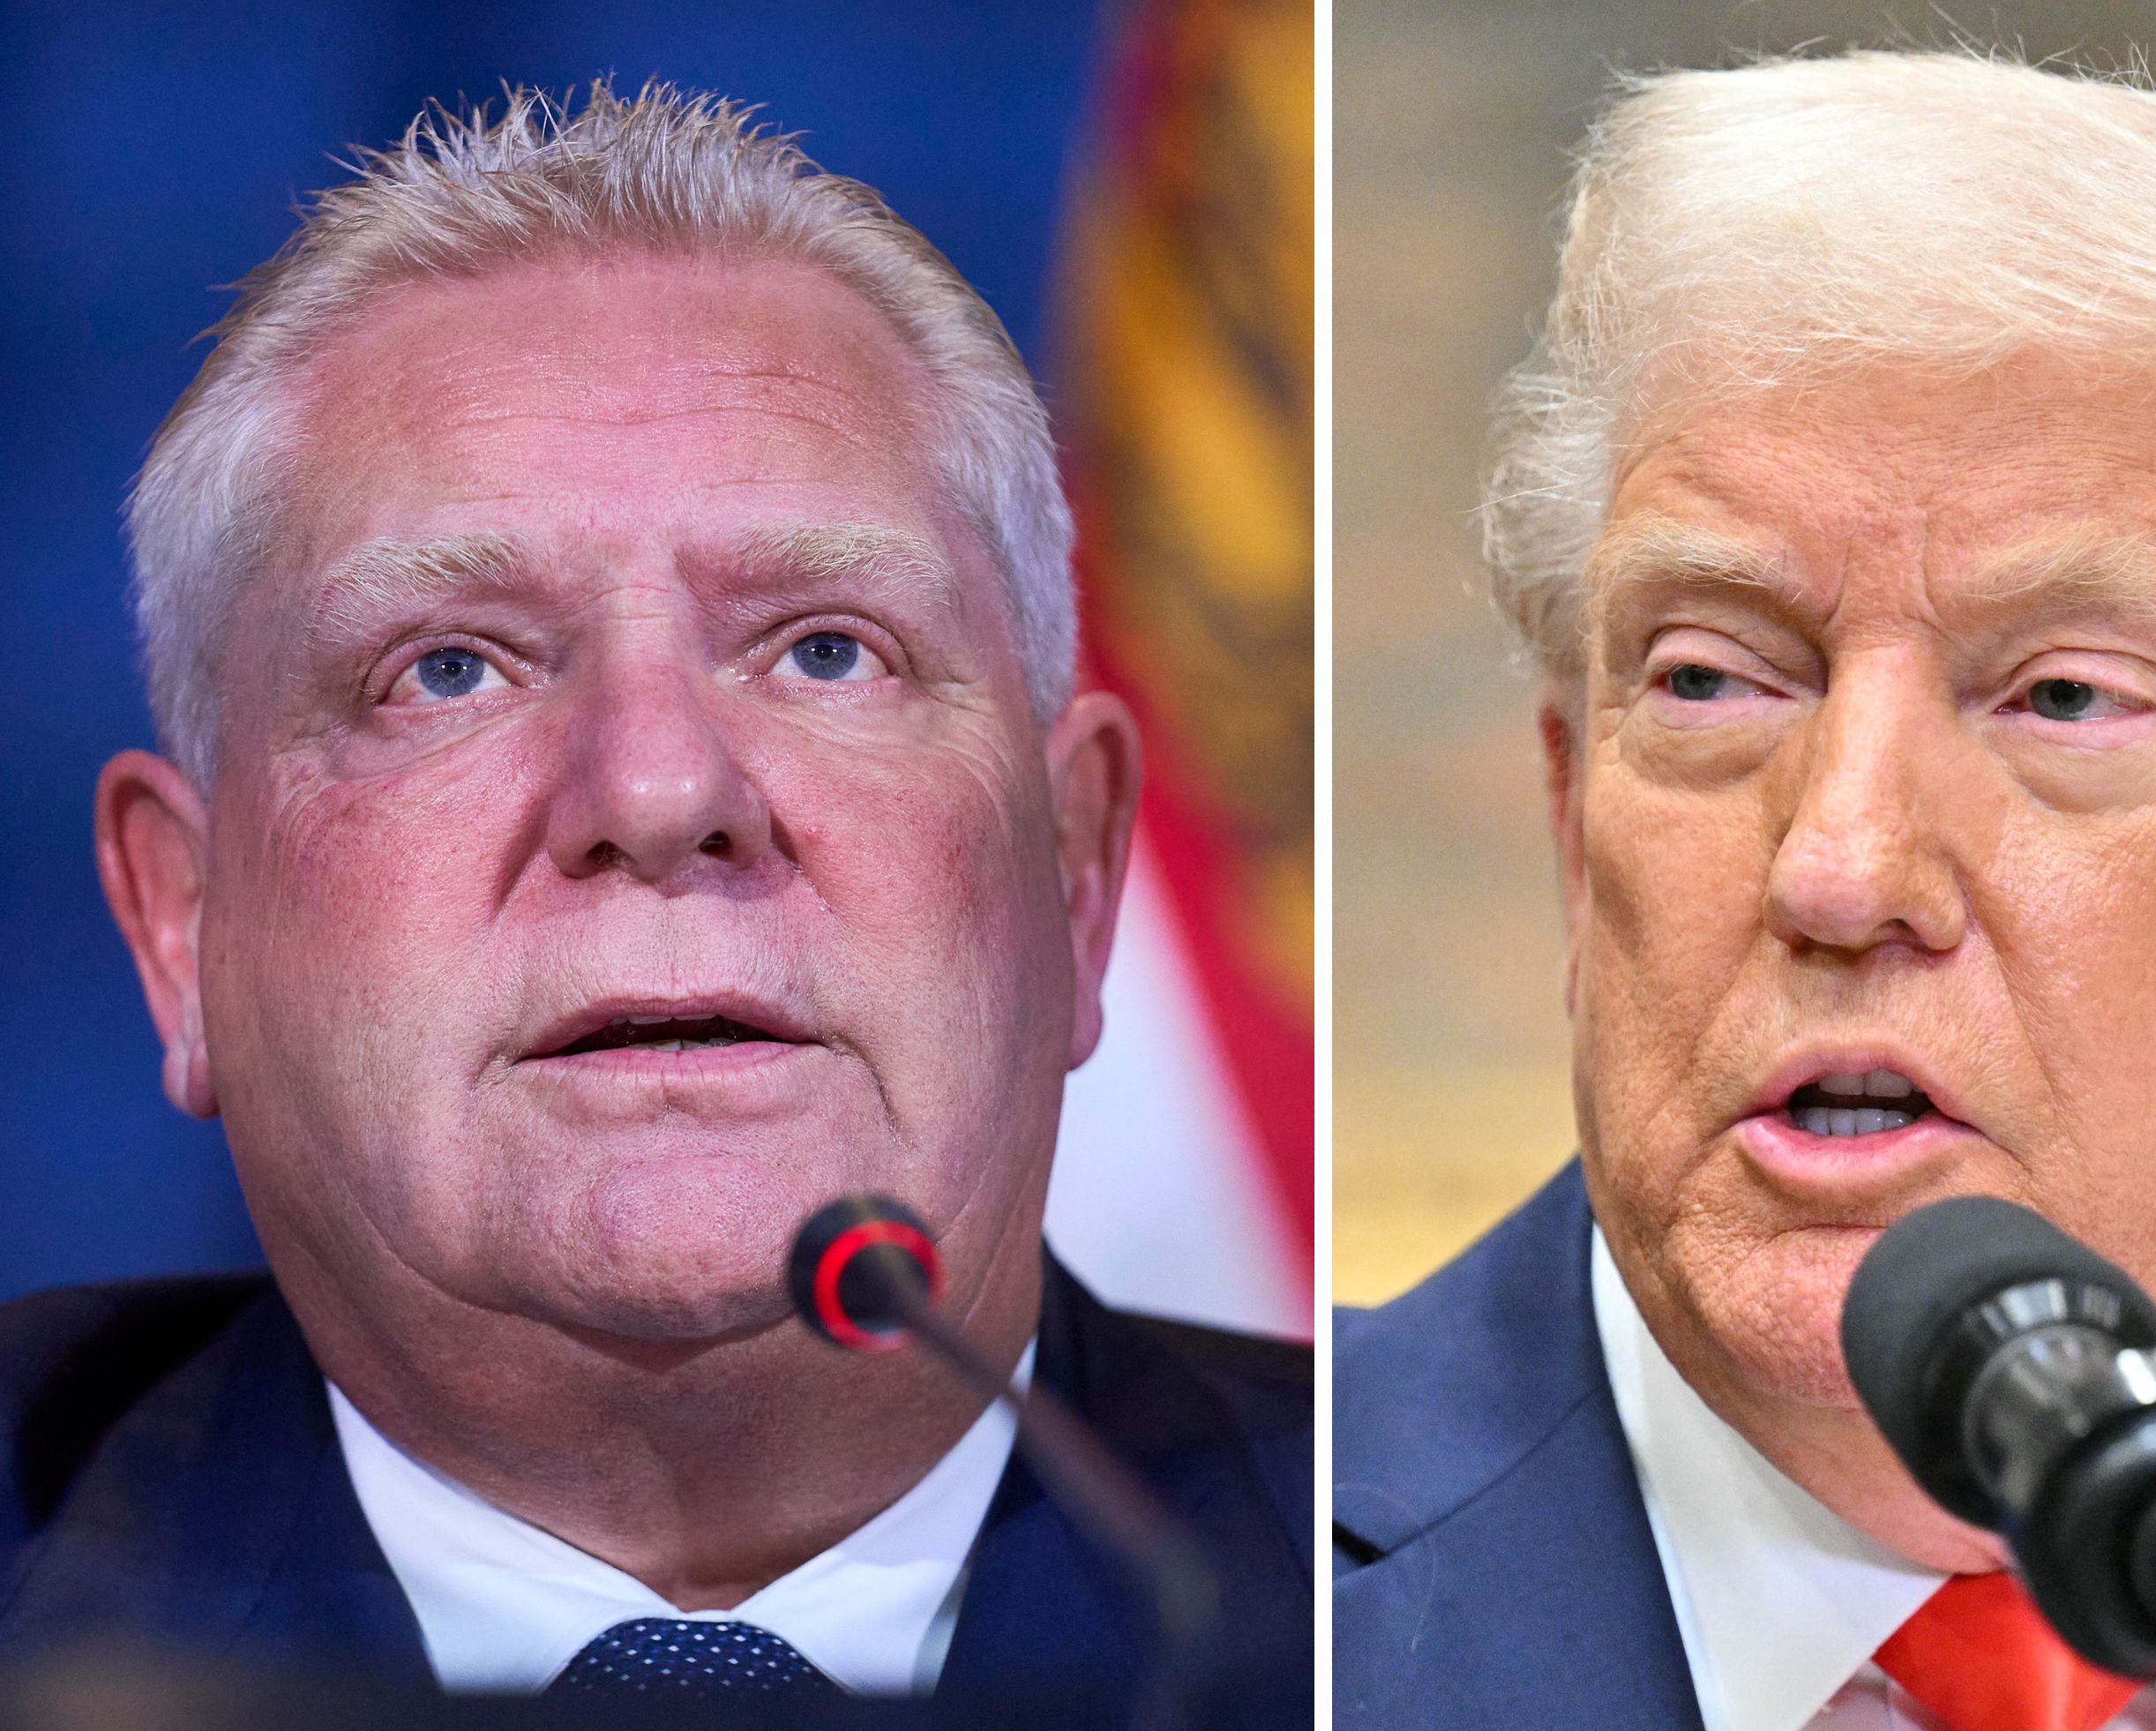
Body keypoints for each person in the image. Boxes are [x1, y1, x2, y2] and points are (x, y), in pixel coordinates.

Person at [1333, 50, 2156, 1729]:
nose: (1840, 867)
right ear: (1570, 808)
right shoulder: (1218, 1609)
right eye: (1714, 682)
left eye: (2068, 699)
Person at [0, 83, 1309, 1713]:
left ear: (1078, 869)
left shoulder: (1423, 1620)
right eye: (450, 669)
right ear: (183, 925)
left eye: (826, 649)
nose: (659, 794)